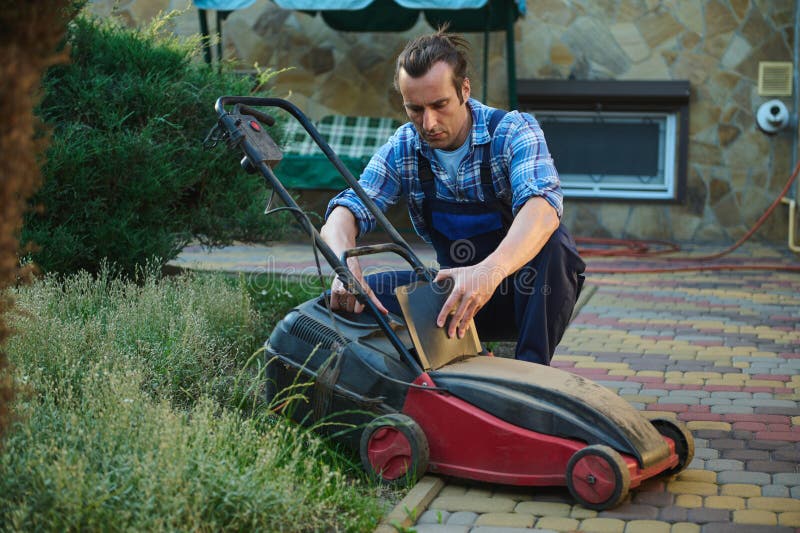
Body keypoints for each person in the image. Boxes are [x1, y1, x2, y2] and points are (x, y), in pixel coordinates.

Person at [319, 28, 585, 365]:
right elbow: (346, 210)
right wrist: (345, 266)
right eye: (414, 109)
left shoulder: (512, 131)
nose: (428, 123)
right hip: (454, 299)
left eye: (440, 105)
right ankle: (407, 388)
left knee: (555, 244)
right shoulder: (404, 148)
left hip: (526, 296)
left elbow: (543, 207)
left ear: (464, 90)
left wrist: (489, 272)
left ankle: (532, 376)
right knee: (356, 300)